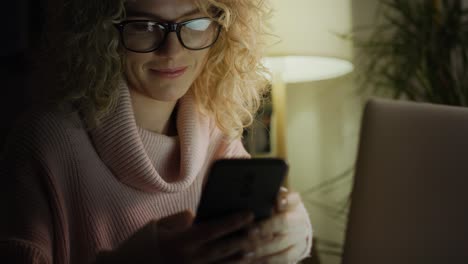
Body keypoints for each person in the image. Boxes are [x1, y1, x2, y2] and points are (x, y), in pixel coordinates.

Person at [0, 0, 313, 263]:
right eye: (145, 26)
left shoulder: (217, 134)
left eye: (193, 24)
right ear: (100, 32)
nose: (171, 50)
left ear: (222, 28)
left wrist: (292, 235)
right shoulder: (44, 142)